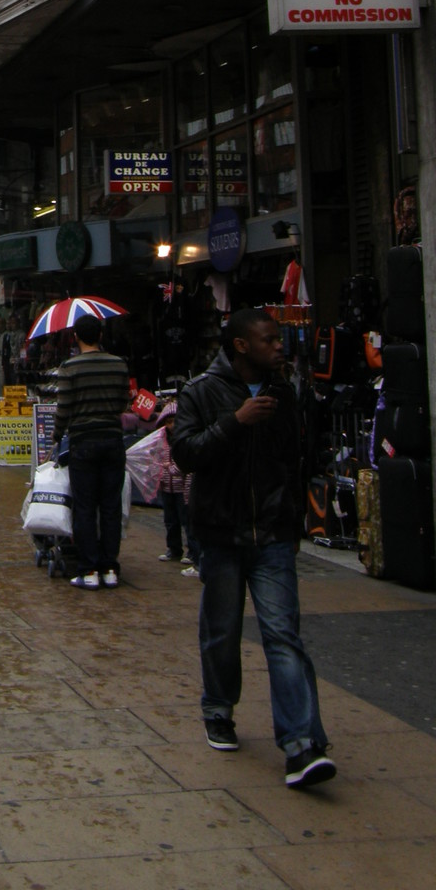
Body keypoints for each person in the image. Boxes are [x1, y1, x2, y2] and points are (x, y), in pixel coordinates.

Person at [172, 307, 335, 789]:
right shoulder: (201, 391)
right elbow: (185, 453)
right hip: (221, 533)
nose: (279, 346)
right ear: (241, 345)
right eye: (268, 339)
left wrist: (295, 518)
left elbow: (296, 457)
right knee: (221, 631)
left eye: (278, 338)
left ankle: (300, 743)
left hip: (273, 534)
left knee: (283, 636)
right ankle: (219, 710)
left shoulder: (287, 391)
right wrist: (235, 422)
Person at [52, 313, 129, 591]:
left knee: (84, 507)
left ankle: (88, 569)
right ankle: (110, 568)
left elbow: (64, 408)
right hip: (112, 440)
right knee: (110, 506)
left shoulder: (69, 368)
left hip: (82, 441)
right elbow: (123, 402)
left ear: (76, 338)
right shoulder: (119, 364)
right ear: (100, 335)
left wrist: (56, 436)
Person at [155, 401, 200, 575]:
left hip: (183, 488)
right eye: (169, 421)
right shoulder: (161, 440)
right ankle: (173, 548)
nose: (172, 425)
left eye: (175, 421)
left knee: (186, 521)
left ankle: (192, 551)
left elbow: (183, 464)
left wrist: (169, 468)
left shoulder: (183, 439)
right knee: (170, 520)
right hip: (167, 487)